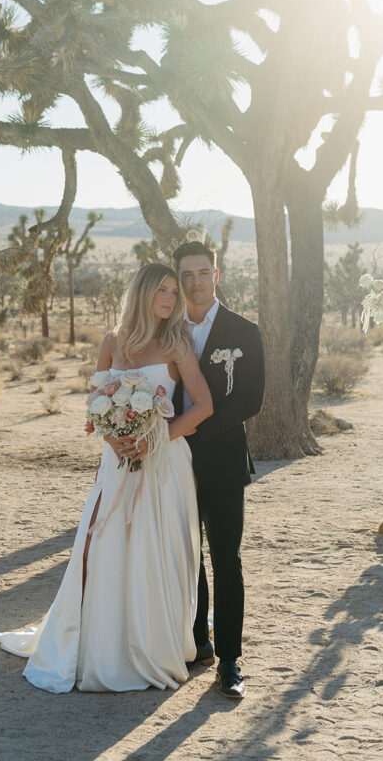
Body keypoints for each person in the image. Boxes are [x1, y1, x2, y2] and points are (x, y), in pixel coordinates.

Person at [0, 263, 212, 693]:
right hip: (117, 462)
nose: (170, 298)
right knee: (108, 545)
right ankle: (101, 645)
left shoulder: (177, 343)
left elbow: (202, 406)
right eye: (161, 290)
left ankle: (154, 643)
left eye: (174, 291)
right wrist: (115, 441)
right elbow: (96, 402)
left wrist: (155, 439)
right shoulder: (113, 342)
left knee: (157, 549)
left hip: (164, 463)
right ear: (142, 293)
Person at [173, 240, 265, 700]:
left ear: (217, 273)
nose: (195, 282)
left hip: (224, 460)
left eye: (202, 272)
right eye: (186, 275)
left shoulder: (244, 331)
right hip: (173, 462)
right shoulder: (165, 330)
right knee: (188, 558)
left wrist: (199, 429)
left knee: (226, 559)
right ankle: (198, 642)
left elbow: (253, 399)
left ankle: (229, 661)